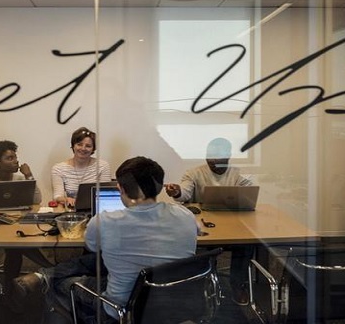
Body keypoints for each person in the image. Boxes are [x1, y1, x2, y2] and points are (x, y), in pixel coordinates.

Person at [14, 156, 197, 323]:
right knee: (99, 260)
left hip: (122, 308)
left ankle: (47, 279)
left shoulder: (105, 221)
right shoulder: (186, 215)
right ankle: (43, 275)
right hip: (175, 301)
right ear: (159, 186)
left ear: (121, 188)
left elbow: (92, 246)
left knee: (60, 284)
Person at [164, 137, 254, 306]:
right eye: (209, 158)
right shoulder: (194, 173)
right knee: (197, 244)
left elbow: (249, 195)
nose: (212, 162)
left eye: (217, 159)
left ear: (228, 157)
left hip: (232, 223)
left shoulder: (238, 174)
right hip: (204, 223)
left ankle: (237, 284)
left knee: (246, 243)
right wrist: (176, 192)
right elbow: (185, 192)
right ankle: (201, 283)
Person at [0, 140, 51, 298]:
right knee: (16, 245)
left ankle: (10, 289)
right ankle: (47, 268)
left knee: (15, 245)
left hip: (15, 224)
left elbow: (37, 200)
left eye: (15, 157)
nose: (16, 161)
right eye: (10, 158)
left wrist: (29, 175)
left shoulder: (20, 179)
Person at [51, 127, 111, 207]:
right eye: (79, 144)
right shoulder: (58, 169)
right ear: (73, 146)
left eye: (88, 146)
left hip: (95, 211)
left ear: (93, 149)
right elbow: (57, 196)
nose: (83, 148)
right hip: (71, 211)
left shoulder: (103, 166)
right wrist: (66, 199)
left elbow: (105, 195)